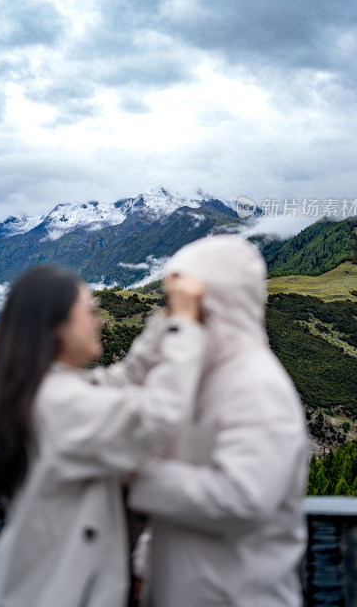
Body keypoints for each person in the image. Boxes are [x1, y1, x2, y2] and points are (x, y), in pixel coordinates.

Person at [0, 264, 207, 607]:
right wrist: (185, 326)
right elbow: (159, 414)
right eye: (89, 311)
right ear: (55, 325)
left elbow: (124, 378)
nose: (98, 320)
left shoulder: (44, 389)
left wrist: (167, 320)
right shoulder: (60, 404)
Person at [128, 235, 310, 607]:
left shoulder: (257, 385)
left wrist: (136, 475)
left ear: (210, 302)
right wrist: (146, 562)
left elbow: (242, 498)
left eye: (176, 301)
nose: (169, 314)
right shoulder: (206, 377)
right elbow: (186, 482)